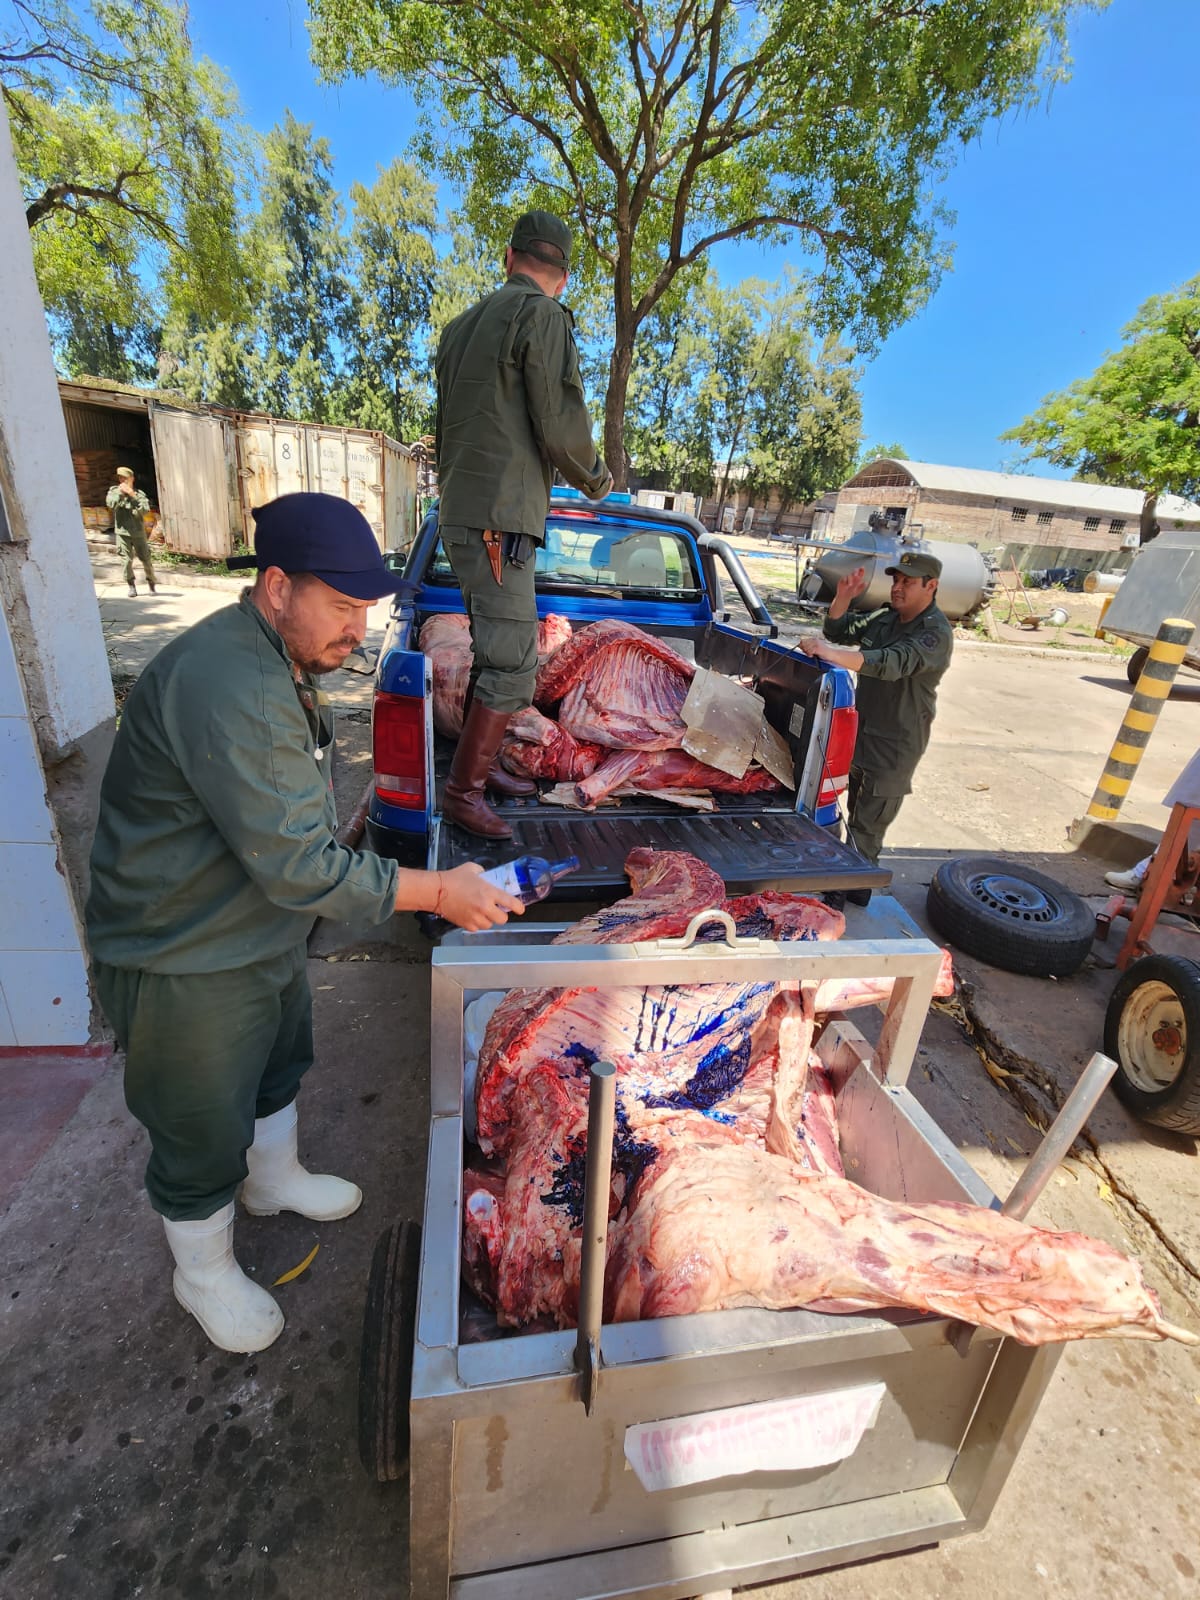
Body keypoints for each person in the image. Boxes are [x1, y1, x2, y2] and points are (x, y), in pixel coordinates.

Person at [86, 492, 523, 1355]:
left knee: (278, 1057)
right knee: (200, 1119)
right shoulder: (234, 681)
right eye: (341, 605)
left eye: (366, 607)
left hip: (255, 922)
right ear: (277, 586)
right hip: (182, 945)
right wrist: (438, 892)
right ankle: (202, 1269)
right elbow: (301, 865)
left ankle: (273, 1177)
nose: (357, 629)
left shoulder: (273, 651)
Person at [434, 209, 612, 840]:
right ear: (561, 277)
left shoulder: (458, 329)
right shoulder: (541, 316)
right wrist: (596, 479)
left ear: (508, 259)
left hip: (463, 512)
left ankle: (478, 772)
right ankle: (463, 792)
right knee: (512, 663)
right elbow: (559, 424)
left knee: (494, 651)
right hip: (498, 519)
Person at [799, 550, 954, 902]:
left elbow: (891, 663)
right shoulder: (887, 617)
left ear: (931, 587)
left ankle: (842, 896)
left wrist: (830, 654)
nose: (897, 588)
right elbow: (838, 628)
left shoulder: (935, 634)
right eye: (896, 580)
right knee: (847, 807)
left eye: (908, 582)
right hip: (861, 732)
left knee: (865, 827)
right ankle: (856, 885)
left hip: (895, 744)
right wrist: (843, 598)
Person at [106, 465, 157, 598]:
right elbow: (110, 505)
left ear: (132, 479)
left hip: (138, 533)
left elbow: (145, 510)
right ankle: (131, 586)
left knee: (146, 559)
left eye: (126, 478)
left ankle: (151, 584)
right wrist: (120, 494)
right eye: (121, 478)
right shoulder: (114, 492)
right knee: (126, 561)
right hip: (122, 533)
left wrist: (132, 495)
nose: (123, 480)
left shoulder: (139, 494)